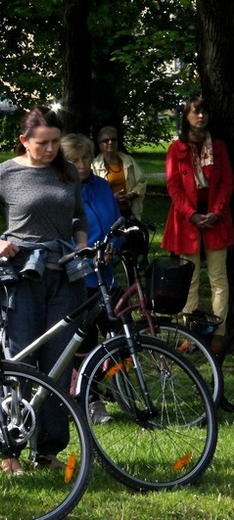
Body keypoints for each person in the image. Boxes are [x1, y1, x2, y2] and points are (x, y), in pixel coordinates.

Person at [0, 106, 89, 475]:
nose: (51, 148)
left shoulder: (66, 171)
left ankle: (48, 450)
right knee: (20, 360)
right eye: (43, 143)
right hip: (20, 278)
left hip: (63, 276)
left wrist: (82, 243)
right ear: (25, 141)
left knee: (58, 362)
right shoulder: (7, 173)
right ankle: (11, 450)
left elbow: (78, 215)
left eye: (55, 141)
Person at [161, 96, 234, 354]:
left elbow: (227, 183)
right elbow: (174, 186)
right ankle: (190, 334)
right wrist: (191, 214)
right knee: (189, 279)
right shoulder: (175, 149)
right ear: (186, 117)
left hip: (217, 219)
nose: (200, 117)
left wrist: (216, 212)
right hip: (186, 220)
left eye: (203, 112)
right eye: (195, 113)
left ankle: (219, 333)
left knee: (218, 278)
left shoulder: (219, 147)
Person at [61, 133, 121, 424]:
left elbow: (114, 223)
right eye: (74, 160)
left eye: (85, 157)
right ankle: (87, 398)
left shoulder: (102, 186)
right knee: (86, 342)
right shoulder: (63, 189)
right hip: (80, 278)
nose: (82, 164)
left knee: (117, 337)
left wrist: (113, 248)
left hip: (107, 275)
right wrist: (82, 254)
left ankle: (100, 390)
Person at [91, 126, 147, 220]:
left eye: (114, 139)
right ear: (100, 144)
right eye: (106, 140)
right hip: (107, 214)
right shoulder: (94, 166)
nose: (110, 142)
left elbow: (142, 181)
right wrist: (112, 199)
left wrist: (132, 194)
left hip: (130, 211)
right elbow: (93, 193)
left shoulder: (128, 161)